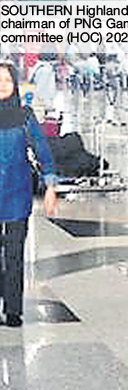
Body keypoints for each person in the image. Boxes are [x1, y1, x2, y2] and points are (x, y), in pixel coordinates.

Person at [0, 62, 58, 327]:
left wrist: (50, 186)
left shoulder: (24, 116)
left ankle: (13, 309)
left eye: (7, 80)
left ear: (15, 85)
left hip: (17, 194)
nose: (2, 85)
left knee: (14, 253)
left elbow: (41, 148)